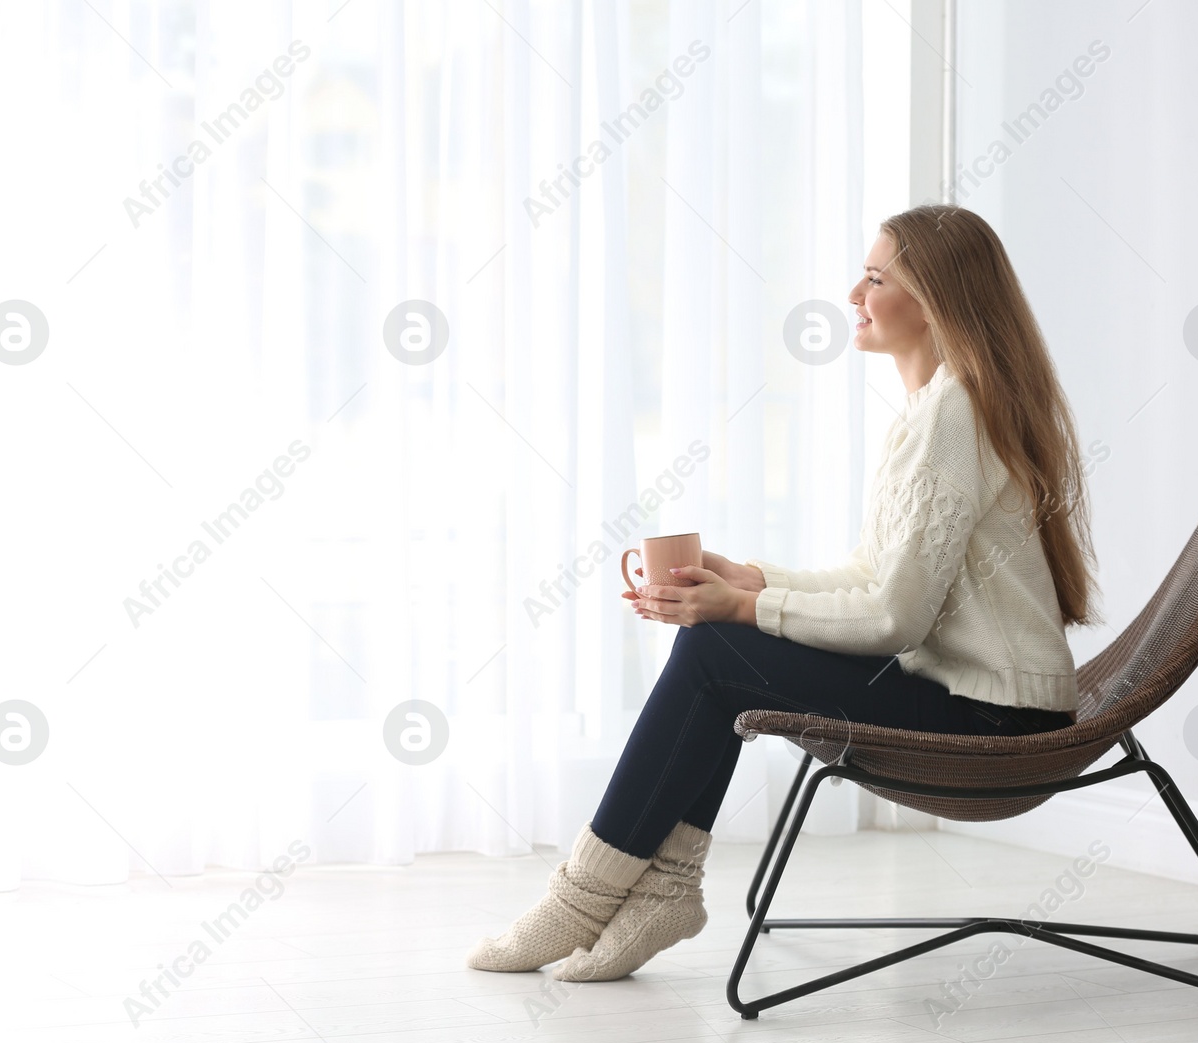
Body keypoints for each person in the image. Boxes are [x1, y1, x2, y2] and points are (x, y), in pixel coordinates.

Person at [465, 203, 1101, 983]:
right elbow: (877, 574)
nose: (851, 293)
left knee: (713, 648)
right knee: (718, 646)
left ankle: (585, 898)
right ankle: (658, 889)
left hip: (995, 726)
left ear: (934, 298)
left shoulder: (951, 413)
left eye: (874, 276)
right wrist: (753, 582)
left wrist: (740, 609)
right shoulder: (942, 408)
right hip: (980, 703)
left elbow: (894, 617)